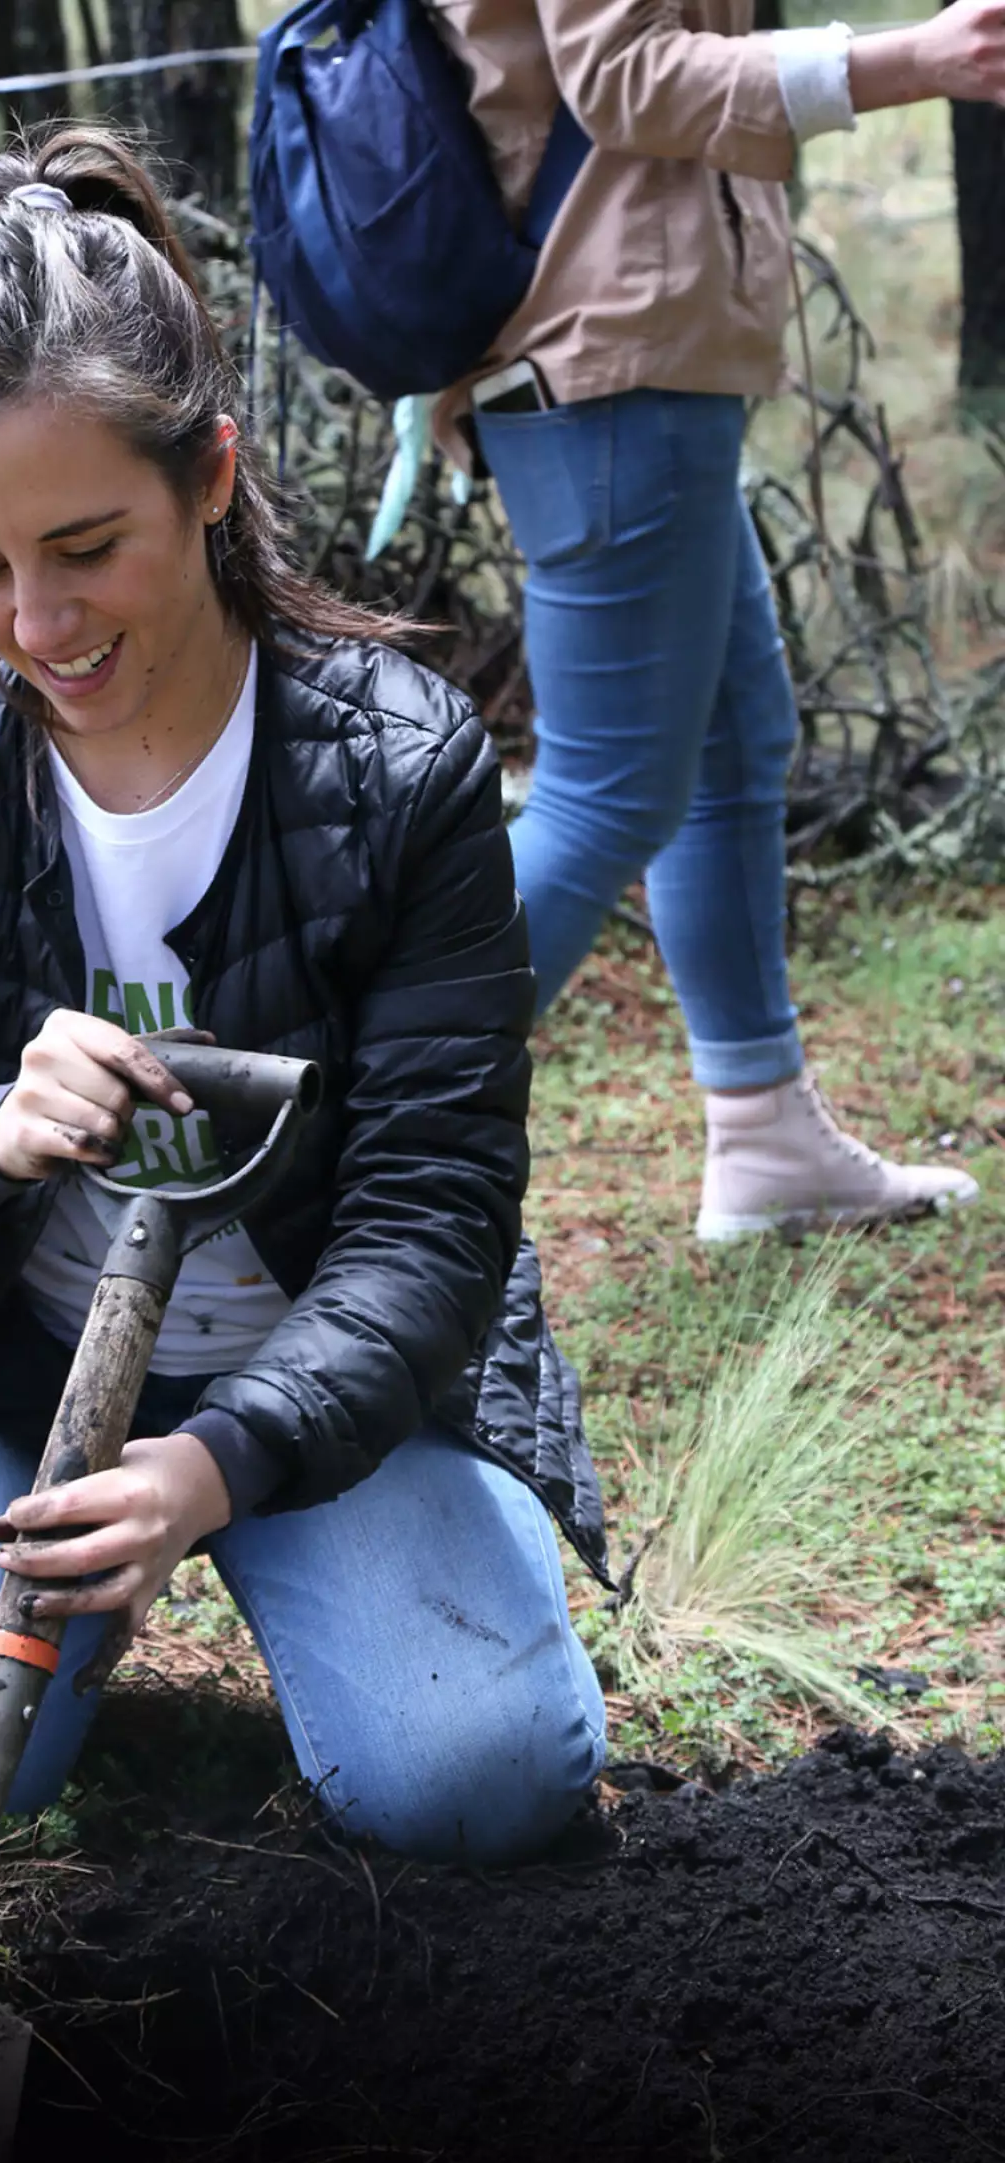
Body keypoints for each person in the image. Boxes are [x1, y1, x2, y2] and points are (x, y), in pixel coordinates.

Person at [0, 126, 611, 1873]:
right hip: (12, 1365)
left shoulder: (398, 765)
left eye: (85, 545)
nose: (37, 622)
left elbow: (434, 1219)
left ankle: (290, 1550)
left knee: (478, 1783)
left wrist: (220, 1464)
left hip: (316, 1374)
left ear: (209, 473)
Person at [425, 0, 1001, 1240]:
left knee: (733, 741)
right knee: (606, 792)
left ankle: (764, 1133)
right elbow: (625, 77)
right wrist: (914, 60)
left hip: (634, 351)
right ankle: (337, 1129)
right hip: (605, 360)